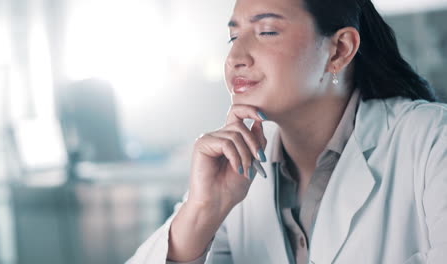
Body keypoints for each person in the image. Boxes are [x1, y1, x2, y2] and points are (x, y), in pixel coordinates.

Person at [127, 0, 447, 263]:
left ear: (339, 50)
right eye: (233, 37)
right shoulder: (236, 175)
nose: (235, 58)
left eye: (266, 31)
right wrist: (201, 211)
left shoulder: (432, 141)